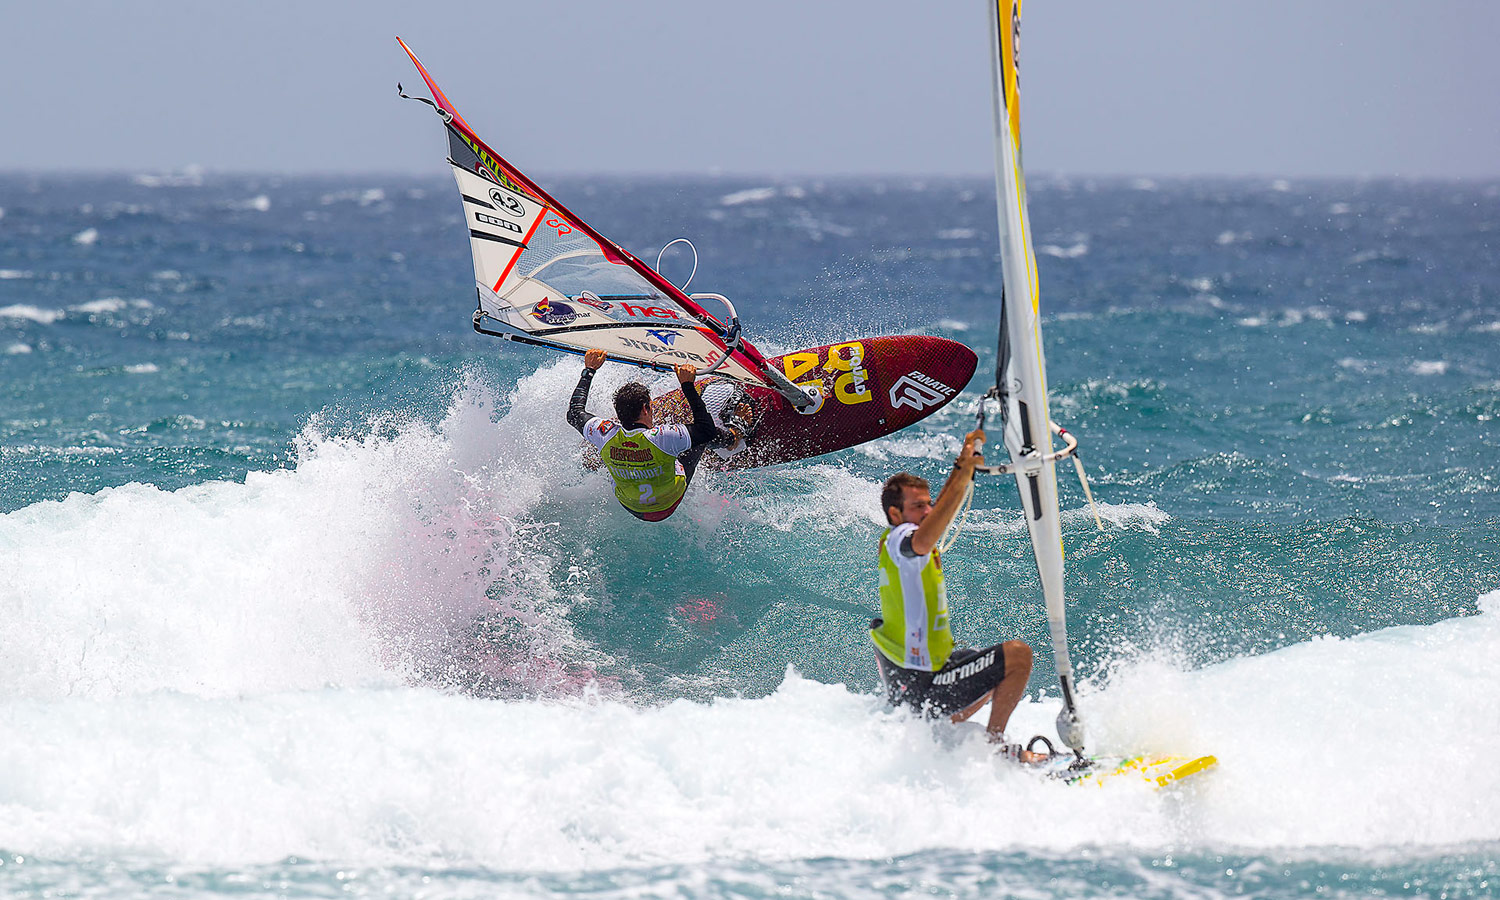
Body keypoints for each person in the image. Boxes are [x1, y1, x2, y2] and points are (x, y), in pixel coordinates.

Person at [869, 428, 1046, 763]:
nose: (927, 510)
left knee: (982, 661)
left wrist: (961, 464)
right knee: (1017, 656)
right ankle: (998, 748)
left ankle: (943, 730)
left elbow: (933, 521)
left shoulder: (906, 539)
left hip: (917, 684)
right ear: (895, 514)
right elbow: (922, 539)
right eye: (917, 506)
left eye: (928, 504)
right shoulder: (900, 539)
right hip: (923, 688)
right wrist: (965, 474)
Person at [567, 348, 738, 522]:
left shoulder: (604, 433)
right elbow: (706, 432)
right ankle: (732, 438)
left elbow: (574, 413)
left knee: (601, 443)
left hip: (630, 505)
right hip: (668, 503)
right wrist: (687, 385)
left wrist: (589, 370)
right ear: (645, 409)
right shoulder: (662, 437)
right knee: (696, 439)